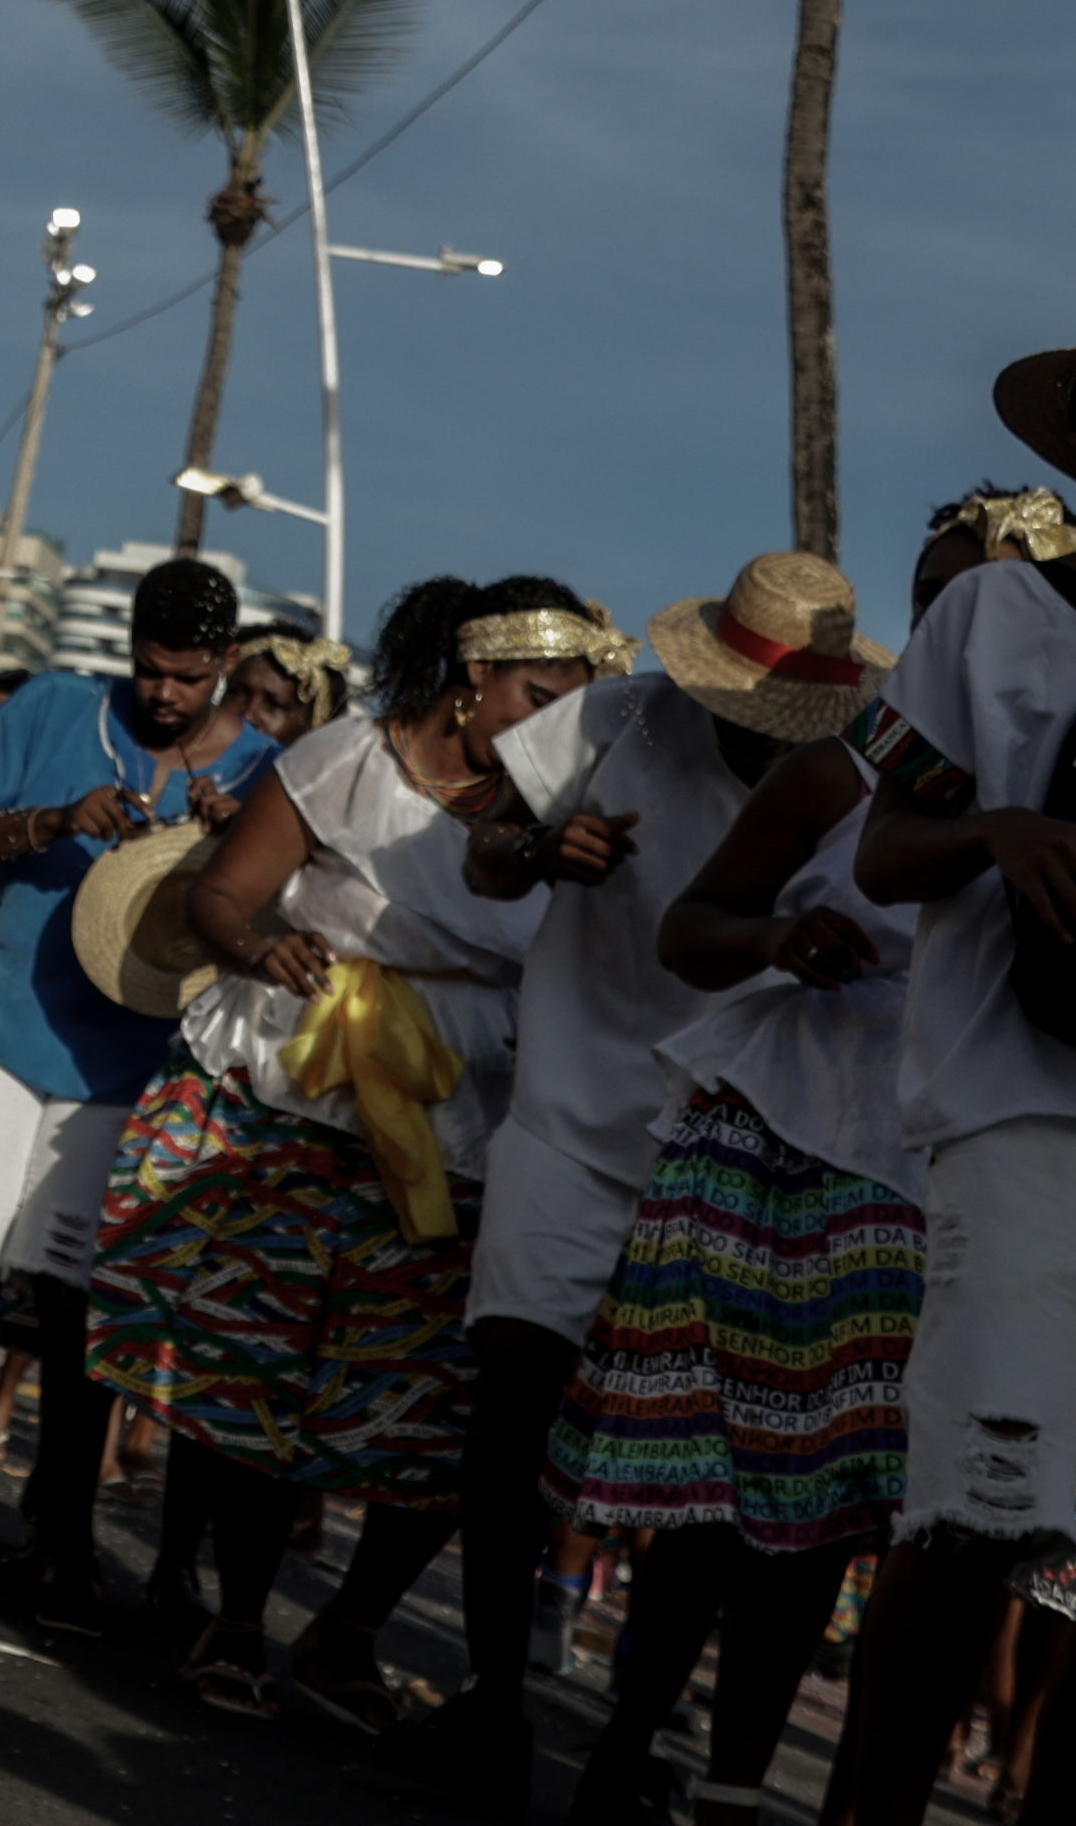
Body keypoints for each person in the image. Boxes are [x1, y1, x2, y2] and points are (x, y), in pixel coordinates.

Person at [84, 575, 614, 1727]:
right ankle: (235, 1616)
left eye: (570, 702)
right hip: (304, 1082)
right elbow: (224, 895)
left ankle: (348, 1631)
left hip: (465, 1112)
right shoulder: (346, 757)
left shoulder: (565, 807)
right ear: (471, 677)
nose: (549, 721)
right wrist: (258, 946)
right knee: (263, 1365)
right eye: (534, 693)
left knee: (434, 1398)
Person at [406, 551, 890, 1808]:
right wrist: (534, 847)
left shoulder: (857, 773)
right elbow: (482, 859)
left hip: (739, 1137)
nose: (758, 732)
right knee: (512, 1393)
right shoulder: (614, 717)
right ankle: (494, 1700)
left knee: (706, 1470)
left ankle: (630, 1732)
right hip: (570, 1110)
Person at [544, 519, 962, 1826]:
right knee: (722, 1490)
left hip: (925, 1171)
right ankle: (628, 1743)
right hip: (772, 1145)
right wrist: (783, 934)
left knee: (826, 1510)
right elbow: (689, 929)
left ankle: (727, 1783)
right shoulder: (839, 773)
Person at [0, 552, 278, 1619]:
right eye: (149, 669)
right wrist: (52, 823)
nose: (165, 693)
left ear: (224, 666)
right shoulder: (51, 707)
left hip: (124, 1071)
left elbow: (276, 921)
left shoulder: (263, 772)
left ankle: (59, 1533)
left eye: (188, 676)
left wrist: (227, 844)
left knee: (72, 1306)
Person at [838, 361, 1076, 1826]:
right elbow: (878, 858)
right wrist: (994, 830)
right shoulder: (996, 616)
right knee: (976, 1514)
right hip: (1017, 1112)